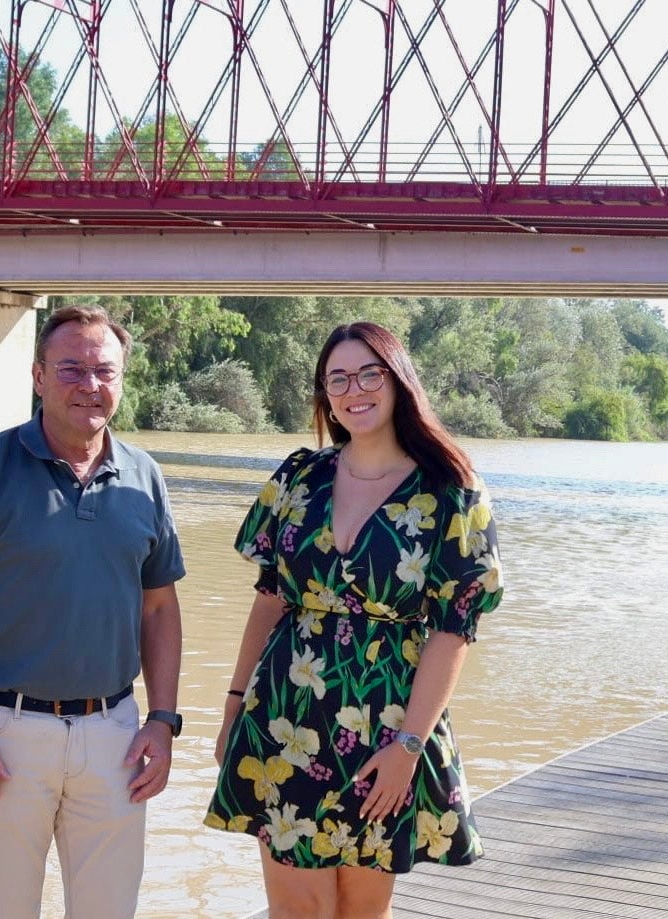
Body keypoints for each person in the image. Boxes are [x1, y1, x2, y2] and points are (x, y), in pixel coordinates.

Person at [205, 321, 503, 917]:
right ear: (324, 394)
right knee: (297, 909)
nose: (354, 389)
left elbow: (454, 627)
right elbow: (270, 599)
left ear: (398, 382)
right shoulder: (298, 478)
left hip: (386, 721)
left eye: (370, 373)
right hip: (284, 714)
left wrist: (409, 746)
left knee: (360, 910)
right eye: (337, 378)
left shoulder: (451, 491)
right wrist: (235, 706)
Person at [0, 304, 185, 919]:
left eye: (104, 371)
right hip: (0, 734)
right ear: (37, 377)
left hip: (115, 735)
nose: (90, 385)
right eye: (71, 368)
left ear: (122, 380)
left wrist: (162, 721)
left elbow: (160, 609)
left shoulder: (145, 476)